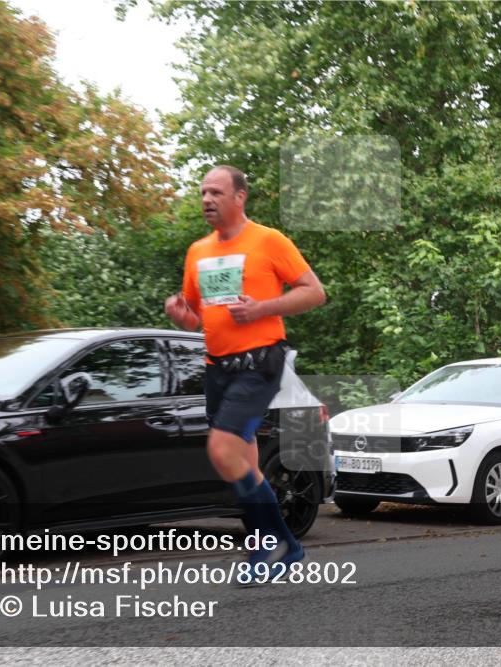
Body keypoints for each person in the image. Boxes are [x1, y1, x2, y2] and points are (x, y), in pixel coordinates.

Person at [164, 165, 326, 576]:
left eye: (216, 192)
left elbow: (314, 292)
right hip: (217, 367)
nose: (206, 199)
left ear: (240, 197)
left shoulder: (268, 240)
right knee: (243, 463)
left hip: (259, 362)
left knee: (221, 449)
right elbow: (198, 317)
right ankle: (282, 547)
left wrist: (262, 308)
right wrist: (181, 315)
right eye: (203, 192)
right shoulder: (198, 251)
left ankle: (272, 546)